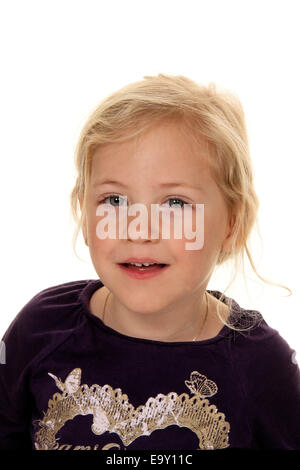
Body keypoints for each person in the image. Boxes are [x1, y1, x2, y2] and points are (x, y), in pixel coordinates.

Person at [0, 74, 299, 451]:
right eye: (114, 201)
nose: (139, 231)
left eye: (175, 204)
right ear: (84, 213)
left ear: (232, 224)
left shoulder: (262, 366)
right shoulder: (40, 329)